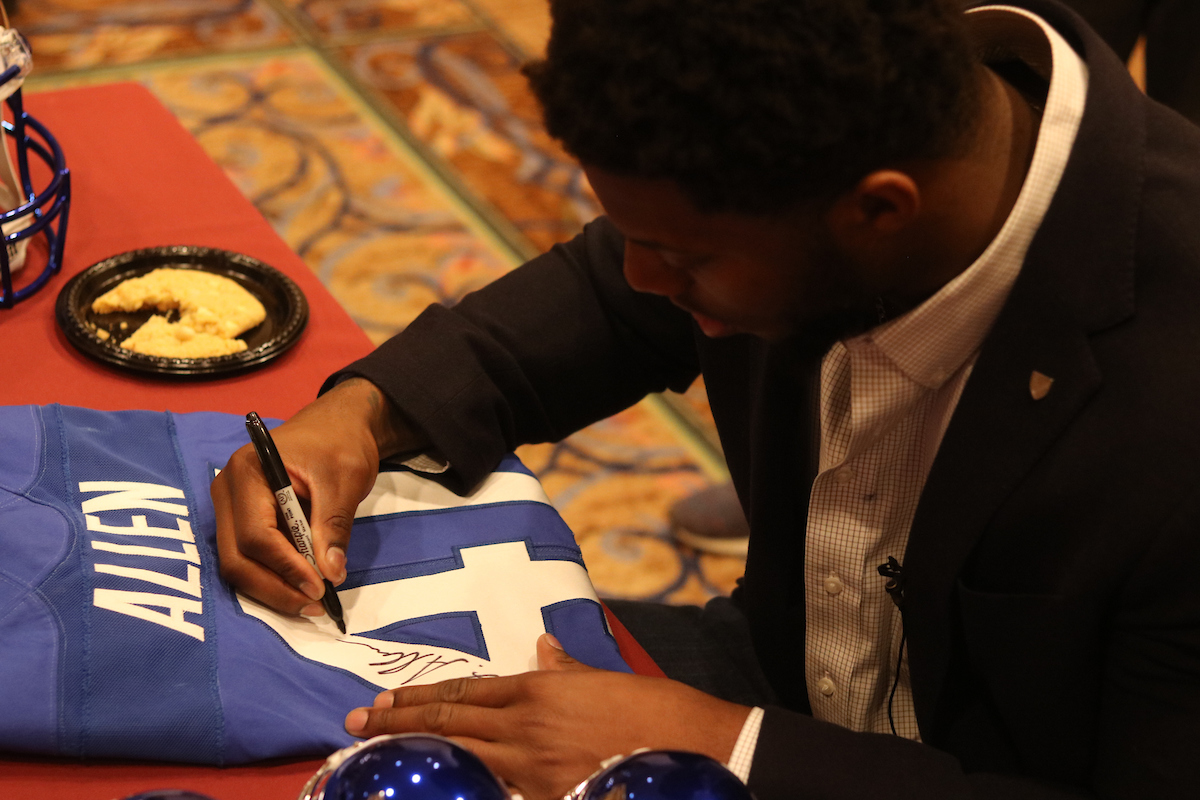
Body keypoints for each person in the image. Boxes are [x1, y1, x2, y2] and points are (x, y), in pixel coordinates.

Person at [213, 0, 1200, 798]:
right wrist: (367, 411)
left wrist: (732, 745)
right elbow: (610, 294)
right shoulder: (821, 153)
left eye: (682, 257)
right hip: (781, 667)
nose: (640, 275)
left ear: (880, 210)